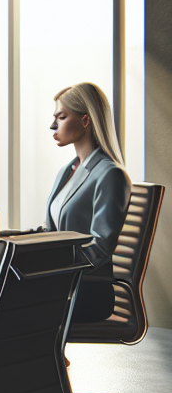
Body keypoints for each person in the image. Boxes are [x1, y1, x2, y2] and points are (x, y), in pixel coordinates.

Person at [45, 82, 131, 322]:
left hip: (87, 290)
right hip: (63, 283)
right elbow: (53, 232)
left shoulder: (110, 174)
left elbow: (100, 248)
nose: (53, 125)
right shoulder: (67, 171)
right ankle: (44, 358)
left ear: (85, 120)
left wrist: (51, 266)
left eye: (61, 117)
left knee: (7, 303)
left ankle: (43, 359)